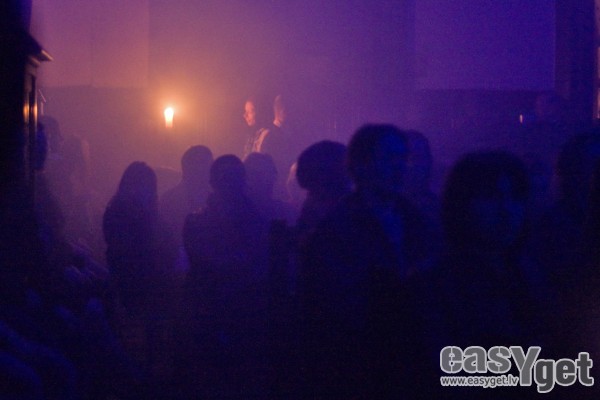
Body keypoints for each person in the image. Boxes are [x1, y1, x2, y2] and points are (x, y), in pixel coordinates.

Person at [299, 124, 434, 398]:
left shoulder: (415, 219)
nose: (400, 167)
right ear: (360, 166)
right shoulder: (338, 227)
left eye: (403, 158)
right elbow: (341, 308)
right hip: (361, 366)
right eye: (388, 158)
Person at [159, 145, 213, 247]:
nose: (208, 170)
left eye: (209, 165)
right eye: (203, 164)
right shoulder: (169, 201)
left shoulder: (217, 200)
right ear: (187, 168)